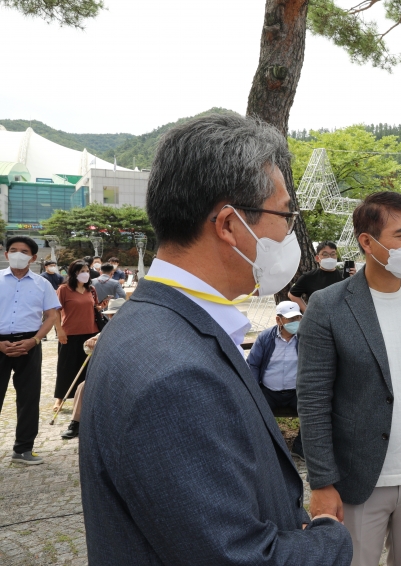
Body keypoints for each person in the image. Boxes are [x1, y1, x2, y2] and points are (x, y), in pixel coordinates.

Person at [78, 114, 352, 565]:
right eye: (285, 215)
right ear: (228, 225)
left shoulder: (151, 323)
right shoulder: (175, 373)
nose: (290, 233)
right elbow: (240, 556)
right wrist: (329, 536)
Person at [298, 191, 401, 566]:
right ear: (367, 243)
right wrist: (322, 483)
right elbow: (313, 400)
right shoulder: (329, 306)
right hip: (358, 483)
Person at [0, 237, 61, 465]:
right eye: (13, 250)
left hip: (30, 344)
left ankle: (23, 449)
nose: (17, 254)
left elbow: (51, 316)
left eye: (23, 251)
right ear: (6, 254)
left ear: (33, 258)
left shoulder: (42, 284)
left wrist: (34, 340)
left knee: (28, 398)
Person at [247, 301, 304, 459]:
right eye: (290, 320)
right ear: (278, 320)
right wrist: (254, 390)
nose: (295, 323)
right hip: (269, 391)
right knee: (255, 412)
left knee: (313, 411)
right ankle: (267, 449)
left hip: (296, 391)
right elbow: (253, 364)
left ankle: (300, 448)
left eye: (298, 318)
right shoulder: (266, 337)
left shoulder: (305, 337)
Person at [54, 260, 100, 414]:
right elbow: (55, 311)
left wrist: (101, 307)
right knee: (66, 367)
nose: (85, 273)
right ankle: (60, 398)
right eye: (82, 271)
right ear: (74, 273)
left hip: (90, 333)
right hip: (70, 333)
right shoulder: (64, 289)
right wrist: (59, 330)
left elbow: (95, 307)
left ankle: (86, 397)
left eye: (87, 270)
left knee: (88, 367)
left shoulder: (91, 289)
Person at [60, 331, 106, 440]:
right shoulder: (107, 331)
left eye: (113, 315)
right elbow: (87, 348)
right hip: (107, 374)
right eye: (110, 315)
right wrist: (89, 342)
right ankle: (76, 423)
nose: (111, 318)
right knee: (83, 386)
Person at [288, 241, 344, 313]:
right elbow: (292, 294)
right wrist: (307, 312)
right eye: (325, 254)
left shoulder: (344, 276)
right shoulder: (309, 277)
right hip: (319, 319)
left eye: (333, 254)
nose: (330, 257)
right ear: (317, 258)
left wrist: (354, 278)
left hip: (341, 318)